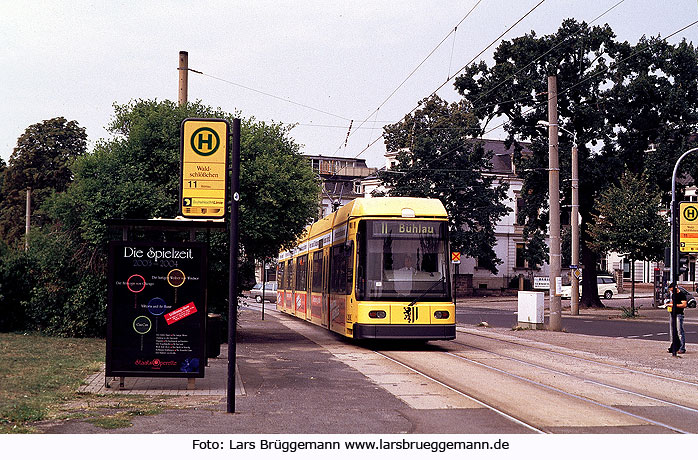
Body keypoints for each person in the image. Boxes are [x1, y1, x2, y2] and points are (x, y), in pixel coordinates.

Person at [667, 282, 687, 356]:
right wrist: (669, 304)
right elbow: (673, 302)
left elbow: (684, 304)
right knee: (672, 331)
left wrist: (674, 305)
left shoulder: (681, 295)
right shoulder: (673, 295)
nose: (671, 292)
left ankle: (682, 348)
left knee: (679, 331)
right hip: (673, 314)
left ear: (676, 288)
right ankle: (674, 347)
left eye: (672, 290)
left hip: (679, 314)